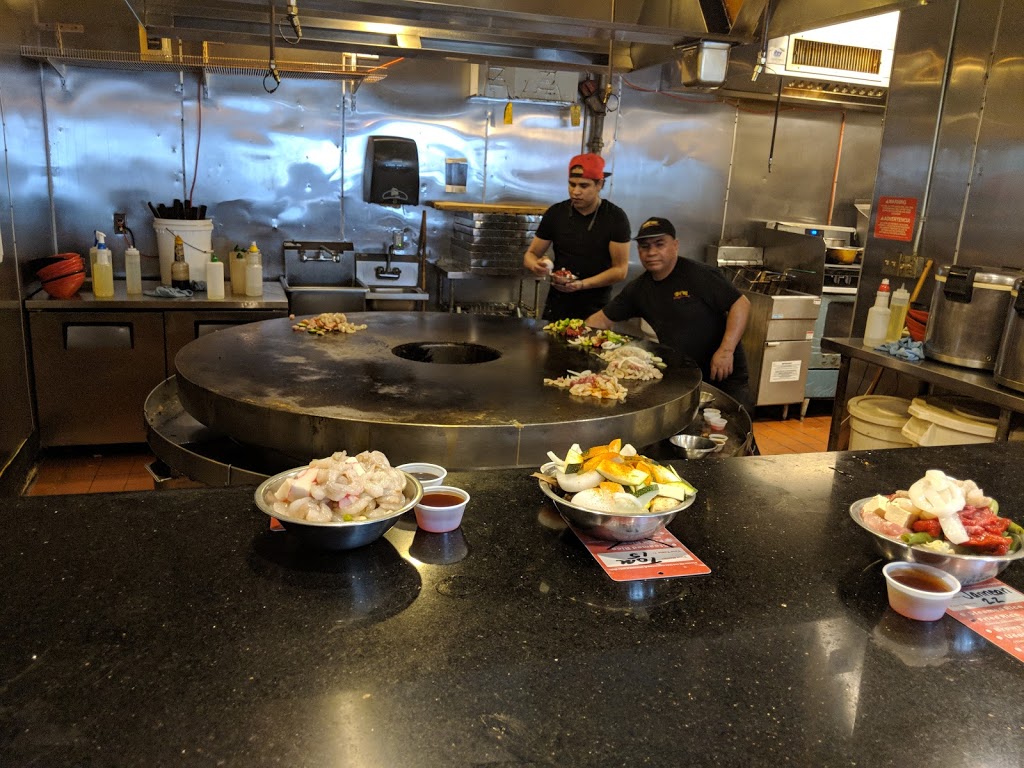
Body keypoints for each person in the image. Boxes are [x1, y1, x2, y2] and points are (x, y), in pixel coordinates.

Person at [585, 216, 752, 408]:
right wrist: (577, 336)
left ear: (675, 245)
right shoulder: (639, 289)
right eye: (645, 246)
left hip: (723, 375)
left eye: (659, 244)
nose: (651, 252)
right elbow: (601, 320)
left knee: (733, 424)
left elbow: (741, 303)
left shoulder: (698, 274)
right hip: (684, 378)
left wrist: (726, 351)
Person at [523, 153, 631, 321]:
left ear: (599, 184)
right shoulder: (556, 213)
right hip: (558, 303)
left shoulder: (615, 218)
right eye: (572, 184)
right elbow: (530, 255)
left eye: (584, 185)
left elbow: (620, 270)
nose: (576, 192)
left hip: (596, 307)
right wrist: (535, 265)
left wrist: (581, 285)